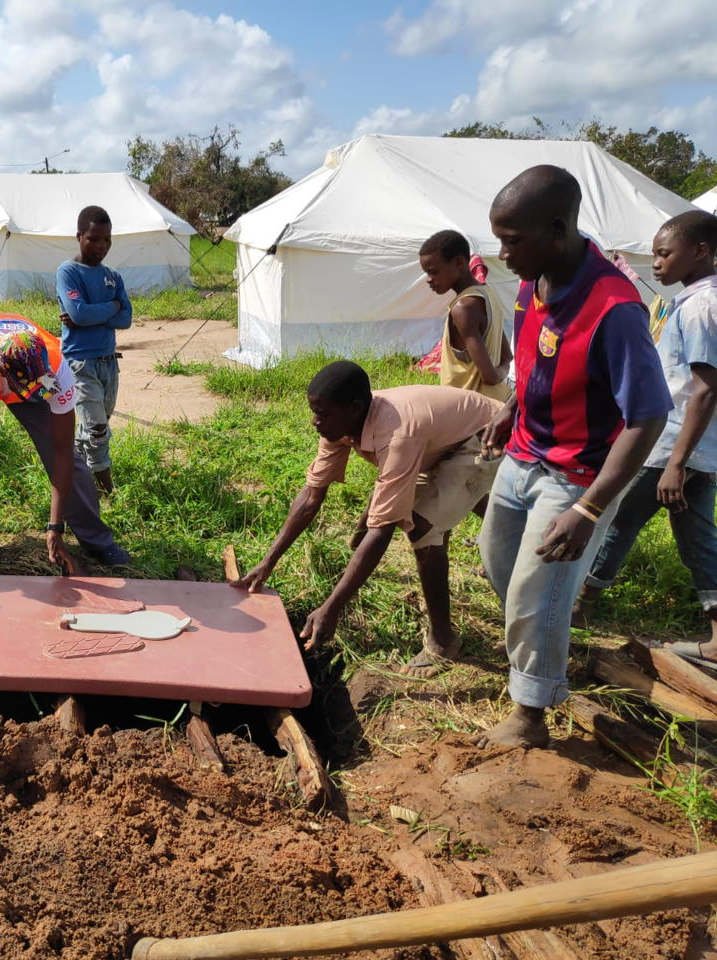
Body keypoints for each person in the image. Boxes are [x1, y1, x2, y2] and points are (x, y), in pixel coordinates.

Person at [477, 165, 671, 749]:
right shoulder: (530, 283)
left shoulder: (616, 308)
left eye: (513, 240)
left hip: (576, 477)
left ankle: (531, 715)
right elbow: (535, 358)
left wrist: (588, 511)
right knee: (500, 562)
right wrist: (512, 402)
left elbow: (649, 416)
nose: (504, 253)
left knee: (538, 589)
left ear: (557, 229)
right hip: (523, 456)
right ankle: (542, 646)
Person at [232, 361, 502, 676]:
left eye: (322, 414)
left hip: (486, 436)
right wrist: (268, 561)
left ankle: (443, 640)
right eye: (314, 412)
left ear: (356, 408)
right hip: (445, 439)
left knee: (424, 527)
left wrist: (331, 609)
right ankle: (524, 536)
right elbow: (311, 496)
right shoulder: (337, 422)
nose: (315, 422)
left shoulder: (397, 432)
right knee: (451, 501)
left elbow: (382, 531)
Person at [577, 210, 717, 666]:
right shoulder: (701, 300)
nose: (655, 264)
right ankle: (716, 634)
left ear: (700, 251)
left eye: (664, 254)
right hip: (698, 448)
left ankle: (581, 604)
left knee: (615, 518)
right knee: (697, 535)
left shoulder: (699, 306)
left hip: (672, 445)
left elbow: (705, 387)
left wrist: (675, 461)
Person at [0, 312, 131, 571]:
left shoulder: (55, 370)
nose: (34, 392)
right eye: (25, 388)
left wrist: (55, 528)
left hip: (25, 370)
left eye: (39, 386)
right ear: (3, 373)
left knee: (70, 459)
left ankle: (97, 541)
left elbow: (62, 450)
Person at [56, 205, 132, 496]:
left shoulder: (113, 275)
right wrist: (110, 307)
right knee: (98, 430)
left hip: (109, 364)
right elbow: (79, 312)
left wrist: (89, 314)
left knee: (92, 427)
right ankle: (107, 493)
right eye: (94, 239)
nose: (101, 246)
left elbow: (126, 317)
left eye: (107, 240)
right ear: (79, 237)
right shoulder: (69, 271)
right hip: (80, 364)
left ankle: (74, 479)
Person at [419, 229, 512, 402]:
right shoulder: (489, 293)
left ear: (459, 263)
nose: (429, 279)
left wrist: (496, 377)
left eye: (434, 272)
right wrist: (502, 378)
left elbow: (489, 377)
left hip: (469, 414)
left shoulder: (463, 309)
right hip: (498, 401)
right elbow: (506, 356)